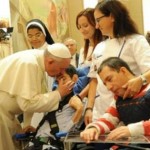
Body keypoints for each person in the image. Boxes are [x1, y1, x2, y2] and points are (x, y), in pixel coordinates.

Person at [85, 0, 150, 125]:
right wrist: (89, 108)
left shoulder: (136, 41)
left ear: (112, 16)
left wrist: (140, 80)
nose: (97, 26)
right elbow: (94, 80)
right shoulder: (99, 47)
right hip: (101, 112)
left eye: (98, 20)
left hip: (128, 111)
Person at [0, 43, 74, 150]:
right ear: (50, 61)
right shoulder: (29, 64)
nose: (62, 73)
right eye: (61, 68)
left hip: (7, 115)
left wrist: (26, 124)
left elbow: (29, 96)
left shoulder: (38, 61)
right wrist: (59, 93)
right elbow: (27, 103)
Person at [80, 57, 150, 149]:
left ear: (123, 71)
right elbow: (108, 119)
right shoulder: (118, 100)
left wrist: (132, 130)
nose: (109, 87)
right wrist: (93, 128)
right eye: (105, 84)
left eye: (110, 79)